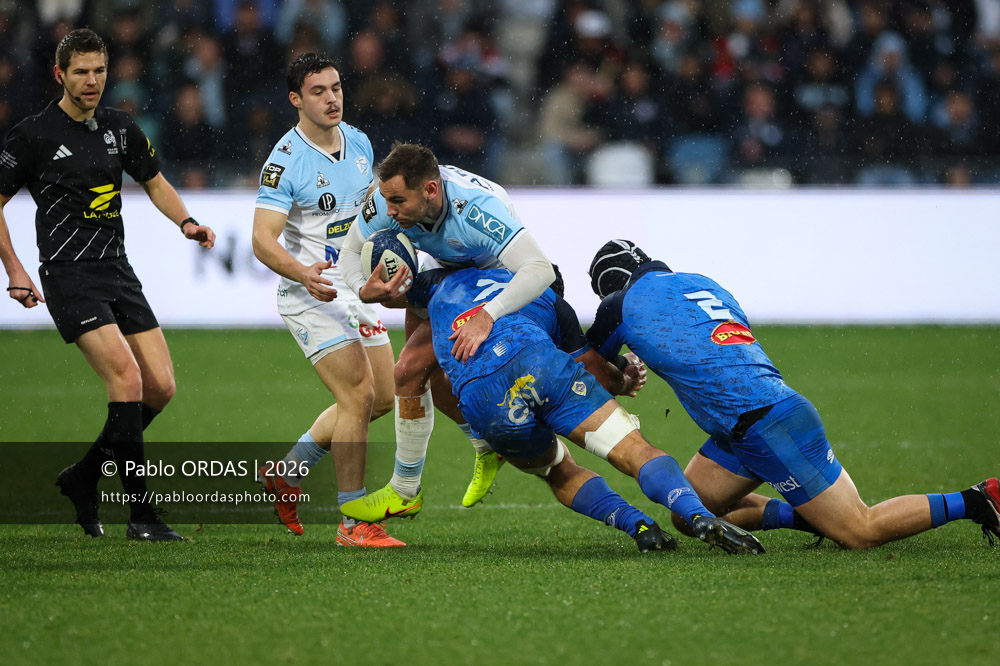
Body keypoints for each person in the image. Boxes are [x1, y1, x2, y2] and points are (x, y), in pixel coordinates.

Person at [585, 239, 1000, 549]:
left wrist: (625, 376)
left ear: (610, 287)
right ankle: (813, 517)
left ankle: (976, 500)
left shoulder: (619, 304)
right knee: (689, 510)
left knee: (860, 530)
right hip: (749, 420)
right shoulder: (702, 283)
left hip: (766, 423)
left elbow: (591, 370)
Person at [356, 264, 764, 554]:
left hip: (485, 401)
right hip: (540, 364)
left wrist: (365, 289)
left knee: (559, 471)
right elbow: (596, 372)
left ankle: (636, 524)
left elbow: (397, 297)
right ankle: (693, 514)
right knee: (635, 452)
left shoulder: (443, 282)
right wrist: (625, 380)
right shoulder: (551, 301)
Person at [0, 28, 216, 541]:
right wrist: (15, 269)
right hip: (68, 275)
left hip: (117, 271)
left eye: (99, 70)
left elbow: (155, 181)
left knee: (161, 388)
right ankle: (141, 515)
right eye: (81, 72)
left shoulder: (120, 128)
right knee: (127, 381)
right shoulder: (32, 135)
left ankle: (83, 475)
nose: (92, 80)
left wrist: (187, 223)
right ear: (60, 75)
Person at [337, 143, 557, 519]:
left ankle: (405, 490)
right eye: (386, 199)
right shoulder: (384, 205)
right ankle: (487, 446)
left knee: (405, 372)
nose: (388, 211)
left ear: (430, 191)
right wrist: (363, 289)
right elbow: (347, 254)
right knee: (427, 378)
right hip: (446, 274)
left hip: (495, 282)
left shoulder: (478, 209)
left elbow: (540, 269)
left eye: (398, 201)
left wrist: (487, 315)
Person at [251, 52, 401, 547]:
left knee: (382, 398)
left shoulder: (358, 141)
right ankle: (352, 521)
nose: (332, 97)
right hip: (309, 294)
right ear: (296, 99)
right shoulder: (284, 163)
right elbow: (262, 240)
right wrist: (302, 273)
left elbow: (371, 216)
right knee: (355, 396)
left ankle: (286, 472)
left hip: (355, 290)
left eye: (336, 87)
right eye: (318, 91)